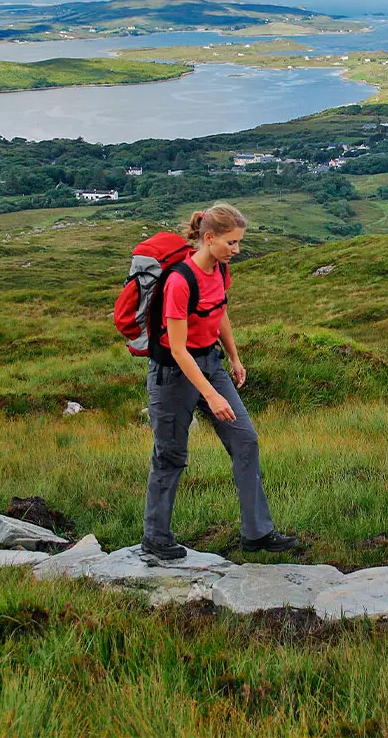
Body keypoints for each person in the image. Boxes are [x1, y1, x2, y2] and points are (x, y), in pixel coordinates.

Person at [141, 202, 298, 560]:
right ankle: (155, 537)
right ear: (208, 238)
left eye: (239, 243)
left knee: (246, 440)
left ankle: (257, 534)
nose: (237, 250)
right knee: (171, 455)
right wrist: (211, 396)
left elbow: (219, 312)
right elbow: (179, 350)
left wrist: (234, 356)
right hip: (172, 375)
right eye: (231, 243)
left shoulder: (221, 270)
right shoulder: (180, 281)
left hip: (210, 363)